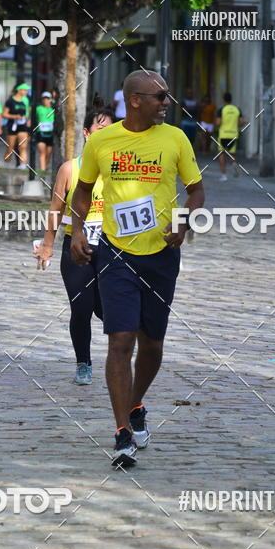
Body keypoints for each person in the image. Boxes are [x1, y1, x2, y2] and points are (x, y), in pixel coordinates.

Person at [70, 70, 205, 468]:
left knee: (152, 344)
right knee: (120, 341)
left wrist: (183, 220)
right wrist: (77, 230)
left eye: (167, 96)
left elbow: (196, 190)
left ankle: (134, 403)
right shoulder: (103, 141)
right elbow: (82, 190)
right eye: (159, 96)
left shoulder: (175, 138)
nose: (167, 102)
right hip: (116, 253)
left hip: (162, 254)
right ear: (135, 101)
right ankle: (122, 432)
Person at [34, 100, 113, 385]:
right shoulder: (69, 169)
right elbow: (55, 209)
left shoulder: (118, 170)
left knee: (106, 309)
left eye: (111, 131)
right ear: (87, 133)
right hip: (76, 247)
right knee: (81, 308)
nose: (106, 135)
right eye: (100, 130)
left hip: (111, 249)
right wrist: (47, 245)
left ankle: (124, 351)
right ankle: (84, 364)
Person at [215, 91, 247, 180]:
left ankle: (224, 175)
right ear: (231, 99)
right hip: (233, 135)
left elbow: (218, 123)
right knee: (231, 153)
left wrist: (216, 125)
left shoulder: (221, 110)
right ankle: (233, 163)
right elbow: (241, 122)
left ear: (223, 100)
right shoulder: (237, 109)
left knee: (221, 153)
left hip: (223, 134)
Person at [3, 83, 31, 168]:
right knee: (10, 149)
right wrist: (15, 116)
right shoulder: (10, 101)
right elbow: (4, 114)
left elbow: (28, 112)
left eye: (27, 90)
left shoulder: (26, 100)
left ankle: (22, 166)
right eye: (25, 90)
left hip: (22, 126)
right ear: (19, 90)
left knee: (23, 147)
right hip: (12, 126)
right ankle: (6, 164)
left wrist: (28, 120)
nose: (26, 92)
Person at [34, 91, 55, 172]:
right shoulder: (38, 108)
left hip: (50, 134)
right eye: (44, 98)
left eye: (47, 98)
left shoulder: (53, 108)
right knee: (42, 152)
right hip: (40, 133)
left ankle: (45, 168)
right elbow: (32, 119)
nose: (46, 100)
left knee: (48, 154)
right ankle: (42, 170)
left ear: (50, 99)